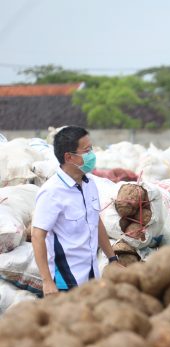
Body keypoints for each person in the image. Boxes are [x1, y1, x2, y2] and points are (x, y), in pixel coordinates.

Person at [32, 126, 119, 295]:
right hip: (65, 282)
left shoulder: (90, 184)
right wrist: (47, 281)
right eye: (87, 151)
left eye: (91, 148)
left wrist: (112, 258)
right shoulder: (52, 191)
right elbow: (37, 236)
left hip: (91, 276)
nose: (92, 155)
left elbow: (96, 221)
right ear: (69, 157)